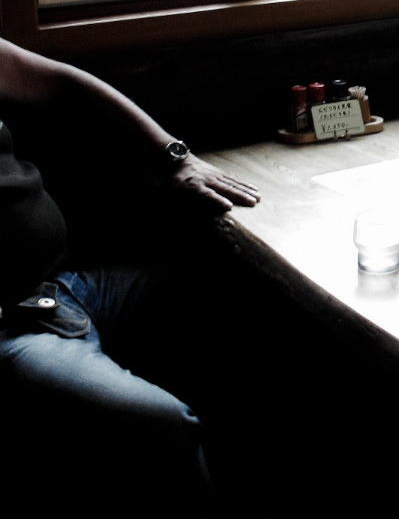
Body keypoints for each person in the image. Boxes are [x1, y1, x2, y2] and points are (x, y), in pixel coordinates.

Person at [0, 36, 261, 517]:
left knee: (247, 290)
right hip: (13, 330)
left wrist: (176, 157)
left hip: (62, 288)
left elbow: (64, 83)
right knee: (161, 424)